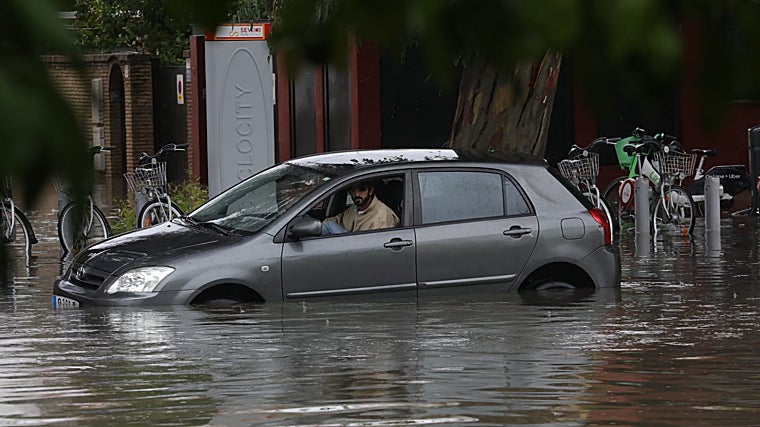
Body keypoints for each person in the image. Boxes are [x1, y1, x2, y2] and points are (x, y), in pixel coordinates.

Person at [322, 181, 400, 235]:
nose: (357, 194)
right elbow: (337, 220)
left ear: (371, 191)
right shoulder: (355, 208)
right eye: (353, 190)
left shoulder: (381, 216)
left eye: (362, 189)